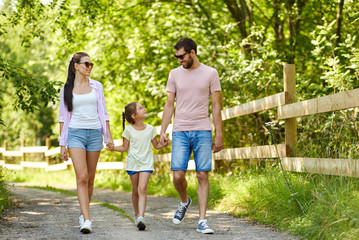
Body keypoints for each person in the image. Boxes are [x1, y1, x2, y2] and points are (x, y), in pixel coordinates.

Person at [160, 38, 223, 234]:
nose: (179, 60)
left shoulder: (211, 73)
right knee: (178, 175)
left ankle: (202, 220)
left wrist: (219, 134)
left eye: (181, 56)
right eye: (176, 57)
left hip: (203, 130)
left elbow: (216, 106)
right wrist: (163, 130)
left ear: (192, 53)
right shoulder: (174, 74)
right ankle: (184, 200)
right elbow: (169, 104)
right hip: (180, 130)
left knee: (202, 174)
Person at [59, 52, 114, 234]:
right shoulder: (66, 89)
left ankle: (84, 213)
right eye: (86, 64)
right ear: (76, 65)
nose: (90, 67)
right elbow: (63, 118)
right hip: (75, 134)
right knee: (81, 177)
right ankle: (87, 220)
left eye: (91, 64)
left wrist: (109, 136)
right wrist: (62, 143)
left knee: (90, 178)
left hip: (94, 133)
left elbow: (103, 113)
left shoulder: (97, 86)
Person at [109, 102, 168, 231]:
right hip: (133, 164)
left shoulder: (151, 129)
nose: (144, 108)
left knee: (142, 189)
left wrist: (163, 144)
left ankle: (141, 217)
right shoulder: (128, 130)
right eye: (141, 108)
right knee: (135, 190)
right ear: (134, 116)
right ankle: (136, 214)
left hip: (146, 163)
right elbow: (125, 148)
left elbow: (156, 145)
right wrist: (113, 148)